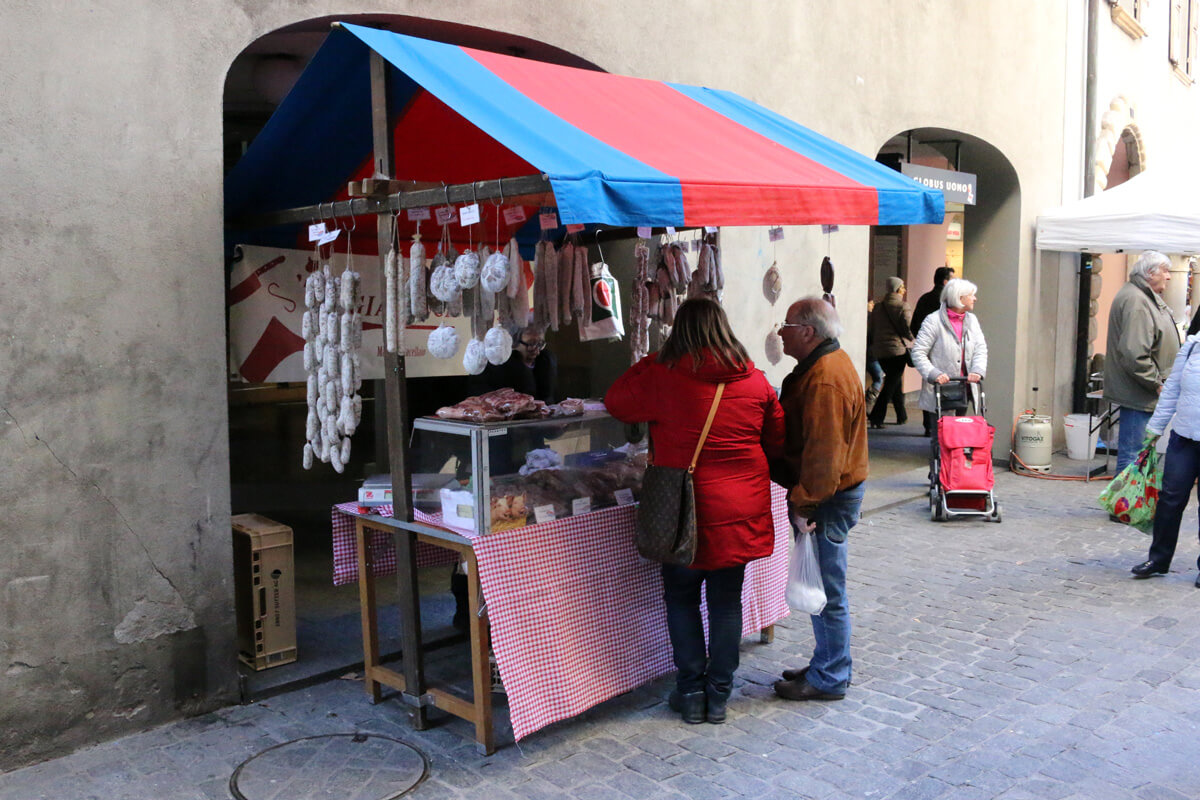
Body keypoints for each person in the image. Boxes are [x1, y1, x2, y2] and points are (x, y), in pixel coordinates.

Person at [605, 298, 785, 725]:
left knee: (682, 599)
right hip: (740, 509)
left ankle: (690, 692)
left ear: (678, 333)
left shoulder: (663, 376)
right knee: (726, 603)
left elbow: (616, 401)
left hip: (681, 511)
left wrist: (652, 358)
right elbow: (776, 439)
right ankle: (718, 695)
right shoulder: (756, 381)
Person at [770, 297, 868, 702]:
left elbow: (825, 455)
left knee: (827, 591)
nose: (780, 331)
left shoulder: (825, 377)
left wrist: (805, 503)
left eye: (787, 324)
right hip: (831, 493)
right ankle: (827, 662)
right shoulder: (825, 366)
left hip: (828, 497)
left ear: (808, 332)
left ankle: (830, 676)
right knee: (825, 587)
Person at [1131, 332, 1200, 585]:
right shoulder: (1193, 346)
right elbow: (1172, 390)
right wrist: (1156, 427)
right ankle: (1158, 559)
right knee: (1170, 498)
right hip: (1183, 438)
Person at [1103, 250, 1179, 475]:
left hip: (1141, 391)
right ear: (1149, 273)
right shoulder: (1137, 301)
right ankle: (1124, 508)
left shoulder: (1141, 296)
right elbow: (1134, 353)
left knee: (1137, 451)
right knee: (1133, 452)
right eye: (1165, 271)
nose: (1169, 276)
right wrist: (1156, 382)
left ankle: (1132, 506)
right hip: (1138, 392)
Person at [911, 278, 987, 462]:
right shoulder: (933, 320)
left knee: (959, 438)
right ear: (959, 298)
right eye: (971, 295)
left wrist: (977, 370)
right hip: (941, 390)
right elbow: (918, 352)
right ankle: (938, 476)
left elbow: (980, 348)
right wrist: (934, 373)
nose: (975, 298)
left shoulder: (972, 320)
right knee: (941, 439)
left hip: (964, 389)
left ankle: (955, 475)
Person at [911, 266, 955, 434]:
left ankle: (928, 425)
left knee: (929, 385)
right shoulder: (946, 303)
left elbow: (913, 324)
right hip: (943, 349)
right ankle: (942, 425)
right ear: (945, 282)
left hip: (926, 348)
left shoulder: (924, 299)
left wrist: (923, 341)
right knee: (944, 384)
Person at [867, 276, 913, 429]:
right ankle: (876, 417)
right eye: (903, 287)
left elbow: (872, 329)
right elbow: (907, 328)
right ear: (898, 289)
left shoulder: (878, 307)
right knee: (890, 385)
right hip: (897, 351)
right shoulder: (903, 306)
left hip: (880, 351)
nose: (904, 289)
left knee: (895, 381)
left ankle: (902, 416)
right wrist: (913, 338)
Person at [864, 299, 882, 407]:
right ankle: (868, 399)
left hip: (867, 352)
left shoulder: (865, 317)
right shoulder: (871, 318)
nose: (872, 305)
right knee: (879, 377)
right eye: (870, 303)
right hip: (871, 353)